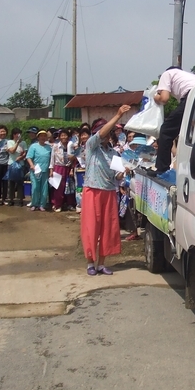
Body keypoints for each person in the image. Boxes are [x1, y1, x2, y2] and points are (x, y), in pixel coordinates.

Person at [81, 104, 131, 276]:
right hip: (92, 191)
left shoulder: (113, 153)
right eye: (102, 131)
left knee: (107, 229)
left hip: (109, 192)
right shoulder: (91, 146)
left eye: (107, 131)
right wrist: (117, 116)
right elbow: (101, 134)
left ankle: (102, 263)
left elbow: (116, 177)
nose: (105, 134)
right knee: (91, 228)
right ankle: (90, 263)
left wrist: (124, 172)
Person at [152, 66, 195, 175]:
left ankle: (162, 169)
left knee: (166, 131)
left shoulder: (167, 74)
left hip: (191, 97)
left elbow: (164, 99)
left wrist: (156, 97)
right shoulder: (190, 78)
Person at [49, 129, 75, 212]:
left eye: (65, 135)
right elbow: (52, 158)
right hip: (58, 168)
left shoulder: (71, 146)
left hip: (68, 168)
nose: (64, 137)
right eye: (62, 135)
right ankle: (57, 204)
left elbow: (74, 159)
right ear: (59, 137)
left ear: (68, 136)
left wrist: (72, 169)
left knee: (69, 186)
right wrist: (51, 170)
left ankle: (69, 204)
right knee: (58, 188)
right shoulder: (55, 146)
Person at [26, 130, 52, 211]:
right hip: (35, 171)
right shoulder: (33, 146)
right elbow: (29, 157)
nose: (43, 137)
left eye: (44, 136)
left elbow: (52, 159)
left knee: (44, 188)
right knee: (35, 187)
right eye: (41, 136)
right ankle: (34, 203)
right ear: (38, 137)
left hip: (45, 170)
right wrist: (32, 165)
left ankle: (42, 205)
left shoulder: (49, 147)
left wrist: (51, 170)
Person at [6, 128, 27, 206]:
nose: (18, 135)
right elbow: (12, 151)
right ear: (13, 135)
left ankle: (20, 199)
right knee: (11, 182)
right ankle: (11, 199)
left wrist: (21, 157)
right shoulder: (9, 142)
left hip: (20, 164)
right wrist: (17, 142)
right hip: (11, 164)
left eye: (19, 133)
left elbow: (25, 152)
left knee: (20, 182)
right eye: (16, 134)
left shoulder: (24, 142)